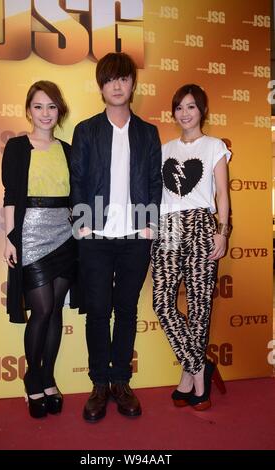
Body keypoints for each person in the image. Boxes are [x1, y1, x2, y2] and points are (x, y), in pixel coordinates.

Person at [70, 52, 162, 422]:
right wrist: (82, 224)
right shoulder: (86, 130)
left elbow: (155, 182)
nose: (117, 86)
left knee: (125, 310)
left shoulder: (148, 132)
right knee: (97, 312)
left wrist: (150, 224)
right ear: (101, 86)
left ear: (132, 84)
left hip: (136, 236)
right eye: (110, 80)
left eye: (123, 79)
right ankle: (99, 384)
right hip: (96, 235)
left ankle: (121, 382)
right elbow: (77, 180)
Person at [1, 80, 78, 419]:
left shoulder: (69, 149)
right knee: (42, 310)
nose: (45, 113)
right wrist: (10, 236)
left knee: (56, 311)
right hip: (31, 233)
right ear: (29, 110)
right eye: (38, 106)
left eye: (51, 106)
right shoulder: (17, 146)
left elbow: (77, 196)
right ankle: (32, 379)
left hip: (64, 233)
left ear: (59, 110)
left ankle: (48, 379)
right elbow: (10, 196)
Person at [151, 83, 230, 411]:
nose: (184, 113)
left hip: (200, 225)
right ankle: (200, 368)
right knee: (162, 303)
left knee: (199, 308)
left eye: (191, 107)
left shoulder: (214, 146)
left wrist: (223, 232)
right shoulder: (164, 149)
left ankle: (189, 378)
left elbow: (223, 193)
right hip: (167, 227)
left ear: (202, 111)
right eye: (179, 107)